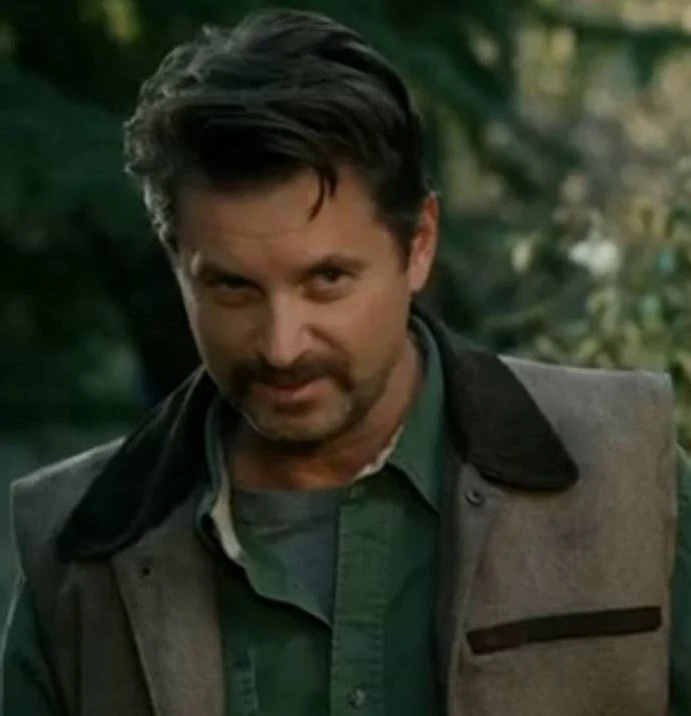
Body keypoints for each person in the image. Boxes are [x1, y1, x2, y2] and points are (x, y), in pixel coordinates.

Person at [1, 9, 690, 716]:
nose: (281, 345)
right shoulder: (78, 552)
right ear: (178, 268)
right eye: (232, 287)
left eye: (326, 279)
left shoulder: (621, 468)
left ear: (418, 245)